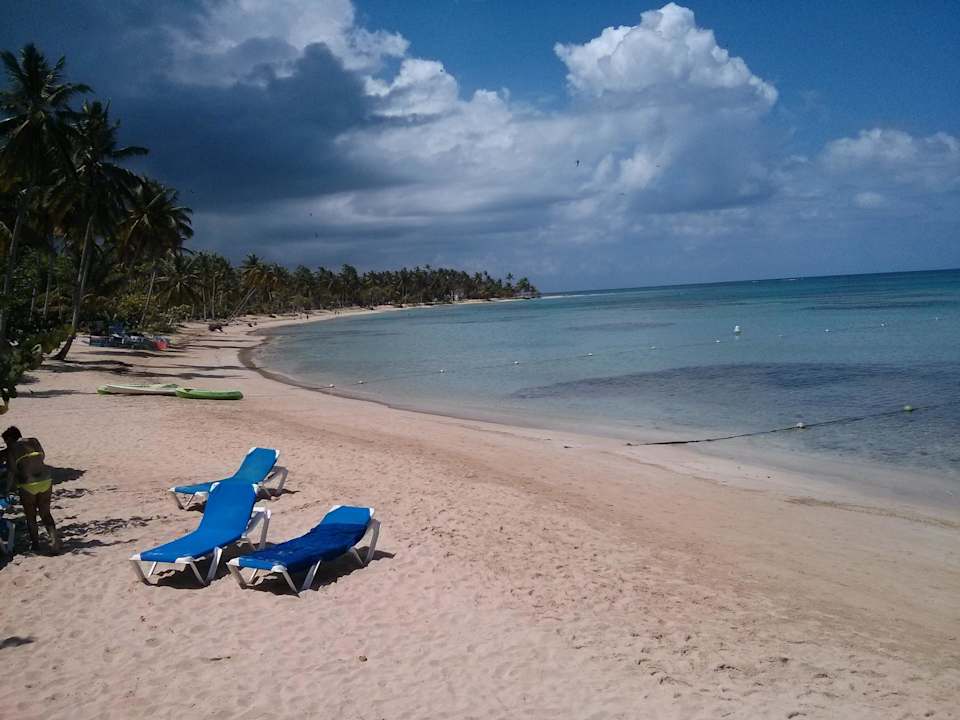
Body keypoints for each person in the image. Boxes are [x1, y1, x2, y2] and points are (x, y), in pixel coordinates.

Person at [2, 426, 61, 554]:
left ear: (10, 439)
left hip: (28, 484)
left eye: (6, 442)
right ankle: (54, 540)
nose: (6, 445)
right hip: (46, 480)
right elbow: (42, 457)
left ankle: (35, 544)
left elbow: (12, 471)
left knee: (31, 516)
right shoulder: (34, 441)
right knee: (46, 513)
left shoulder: (12, 449)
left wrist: (8, 489)